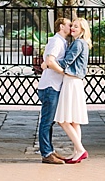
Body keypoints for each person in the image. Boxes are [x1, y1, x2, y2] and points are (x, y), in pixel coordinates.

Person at [43, 17, 93, 164]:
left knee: (63, 120)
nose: (73, 28)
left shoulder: (78, 43)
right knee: (74, 121)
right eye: (72, 26)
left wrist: (49, 63)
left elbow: (67, 62)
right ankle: (77, 152)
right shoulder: (79, 42)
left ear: (82, 30)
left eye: (76, 27)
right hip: (74, 81)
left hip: (71, 81)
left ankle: (81, 149)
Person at [38, 17, 71, 164]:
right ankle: (46, 153)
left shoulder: (60, 41)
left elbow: (46, 63)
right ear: (61, 26)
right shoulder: (57, 41)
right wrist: (64, 72)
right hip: (50, 86)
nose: (71, 27)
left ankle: (49, 150)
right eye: (69, 25)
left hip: (52, 85)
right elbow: (50, 61)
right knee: (46, 121)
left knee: (49, 122)